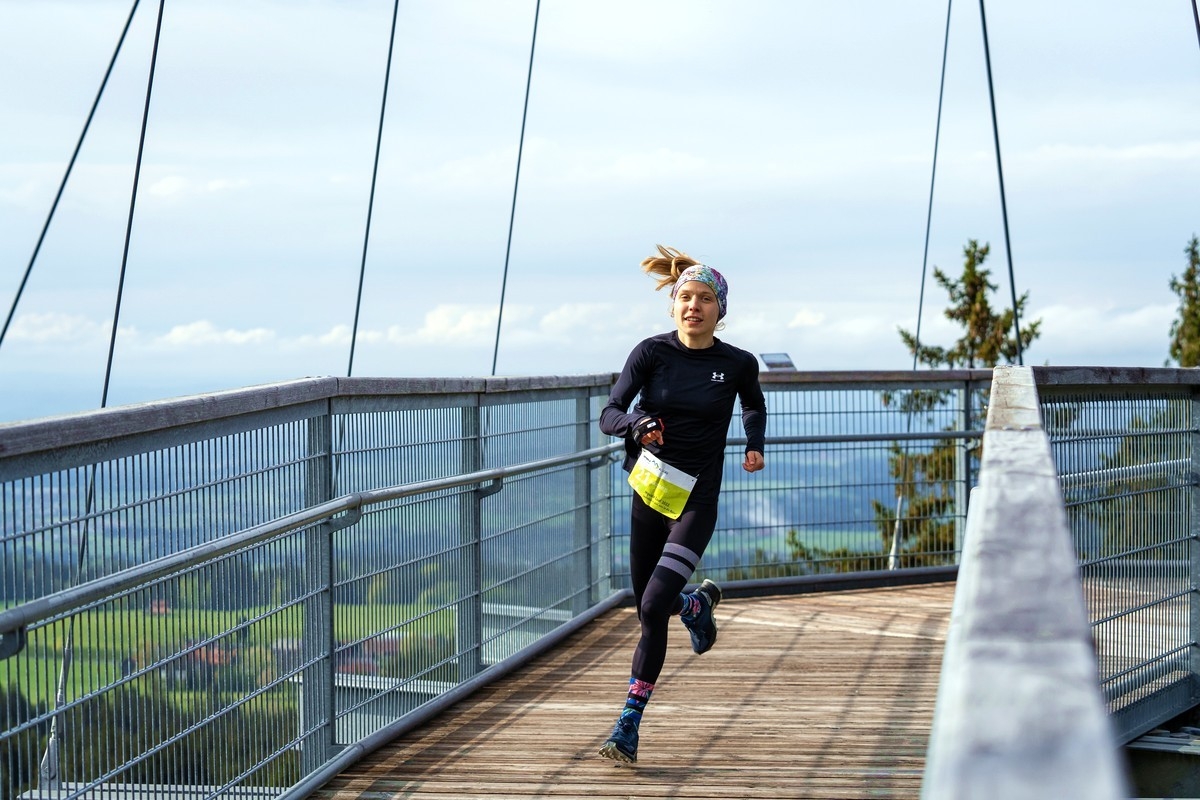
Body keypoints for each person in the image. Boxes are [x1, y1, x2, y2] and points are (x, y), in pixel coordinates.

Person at [597, 244, 766, 764]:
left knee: (650, 608)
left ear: (720, 309)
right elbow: (609, 413)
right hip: (650, 491)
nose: (693, 306)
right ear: (673, 305)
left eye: (704, 299)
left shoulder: (737, 362)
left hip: (697, 499)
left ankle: (629, 724)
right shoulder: (650, 353)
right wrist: (635, 425)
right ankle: (695, 605)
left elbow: (754, 403)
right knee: (649, 599)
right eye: (685, 297)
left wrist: (754, 444)